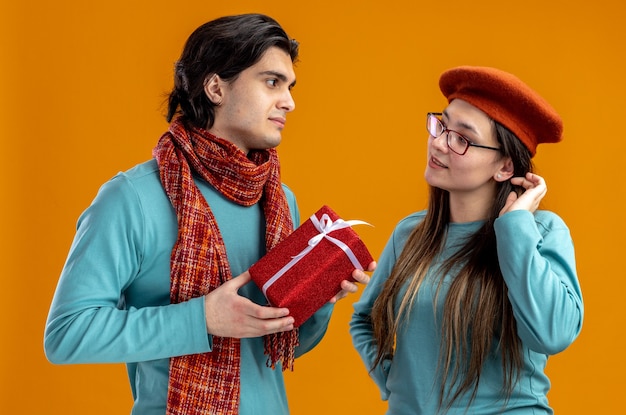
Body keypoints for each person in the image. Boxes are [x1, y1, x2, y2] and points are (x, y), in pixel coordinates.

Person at [44, 13, 373, 415]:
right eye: (272, 82)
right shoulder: (132, 199)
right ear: (216, 87)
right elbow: (67, 334)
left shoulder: (279, 200)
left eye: (289, 86)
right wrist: (202, 319)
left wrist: (318, 296)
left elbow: (275, 350)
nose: (289, 101)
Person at [350, 66, 583, 414]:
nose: (439, 142)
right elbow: (364, 319)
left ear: (504, 167)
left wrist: (516, 226)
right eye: (441, 125)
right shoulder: (410, 233)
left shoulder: (542, 231)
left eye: (462, 138)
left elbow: (551, 334)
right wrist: (395, 383)